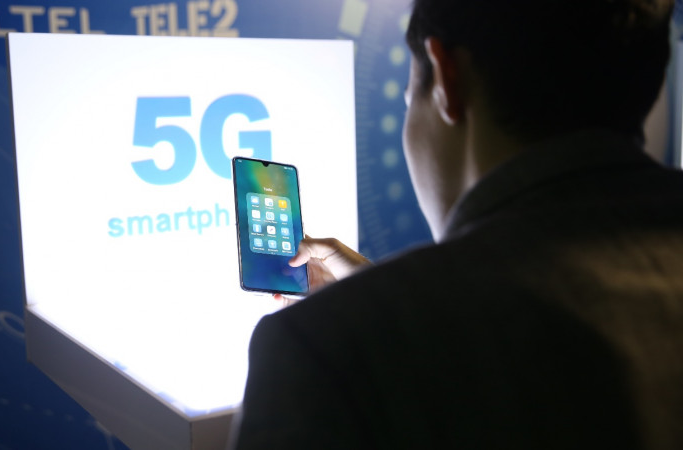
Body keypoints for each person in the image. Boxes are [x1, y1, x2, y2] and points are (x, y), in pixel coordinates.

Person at [232, 0, 683, 449]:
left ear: (446, 77)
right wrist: (378, 299)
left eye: (408, 99)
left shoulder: (320, 351)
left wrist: (364, 316)